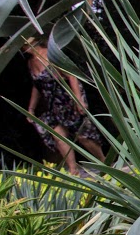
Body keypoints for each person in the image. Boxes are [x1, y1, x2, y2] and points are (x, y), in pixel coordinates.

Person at [23, 38, 103, 173]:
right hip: (53, 104)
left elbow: (72, 76)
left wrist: (78, 100)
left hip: (68, 99)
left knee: (83, 136)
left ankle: (104, 162)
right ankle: (73, 171)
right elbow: (37, 86)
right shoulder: (31, 62)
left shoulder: (50, 55)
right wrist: (31, 109)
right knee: (58, 136)